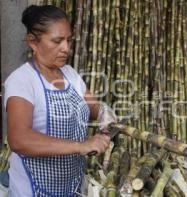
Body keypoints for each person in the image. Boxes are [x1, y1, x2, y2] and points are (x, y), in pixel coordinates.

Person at [4, 5, 117, 197]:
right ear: (33, 42)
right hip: (34, 191)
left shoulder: (70, 74)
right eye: (57, 41)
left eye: (68, 40)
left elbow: (94, 108)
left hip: (73, 187)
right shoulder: (22, 80)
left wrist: (105, 114)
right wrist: (81, 146)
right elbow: (19, 139)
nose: (66, 48)